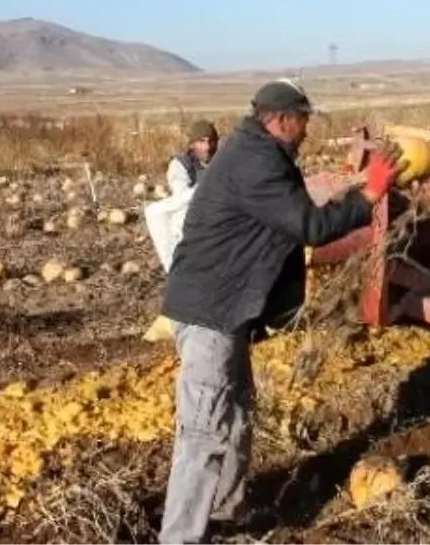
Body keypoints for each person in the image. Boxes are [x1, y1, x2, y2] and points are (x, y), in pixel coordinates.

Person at [157, 79, 405, 544]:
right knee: (205, 432)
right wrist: (368, 197)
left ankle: (225, 516)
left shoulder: (258, 152)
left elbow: (291, 215)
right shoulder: (255, 161)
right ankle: (180, 537)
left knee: (235, 413)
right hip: (212, 311)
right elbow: (308, 226)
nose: (308, 129)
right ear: (281, 120)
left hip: (226, 310)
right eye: (305, 119)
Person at [144, 119, 220, 272]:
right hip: (193, 219)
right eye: (201, 141)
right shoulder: (181, 165)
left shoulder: (223, 160)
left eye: (211, 141)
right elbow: (181, 198)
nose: (207, 147)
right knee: (158, 213)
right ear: (192, 144)